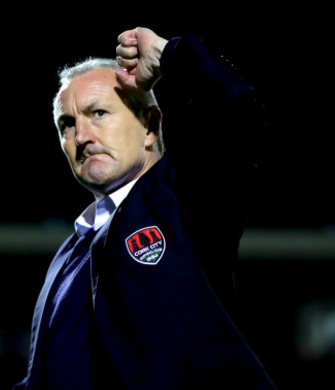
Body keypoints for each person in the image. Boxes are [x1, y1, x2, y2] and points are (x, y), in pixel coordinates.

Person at [14, 27, 277, 389]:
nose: (81, 137)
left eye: (99, 113)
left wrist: (171, 55)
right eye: (67, 124)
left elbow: (237, 107)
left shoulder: (186, 195)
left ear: (151, 126)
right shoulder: (69, 254)